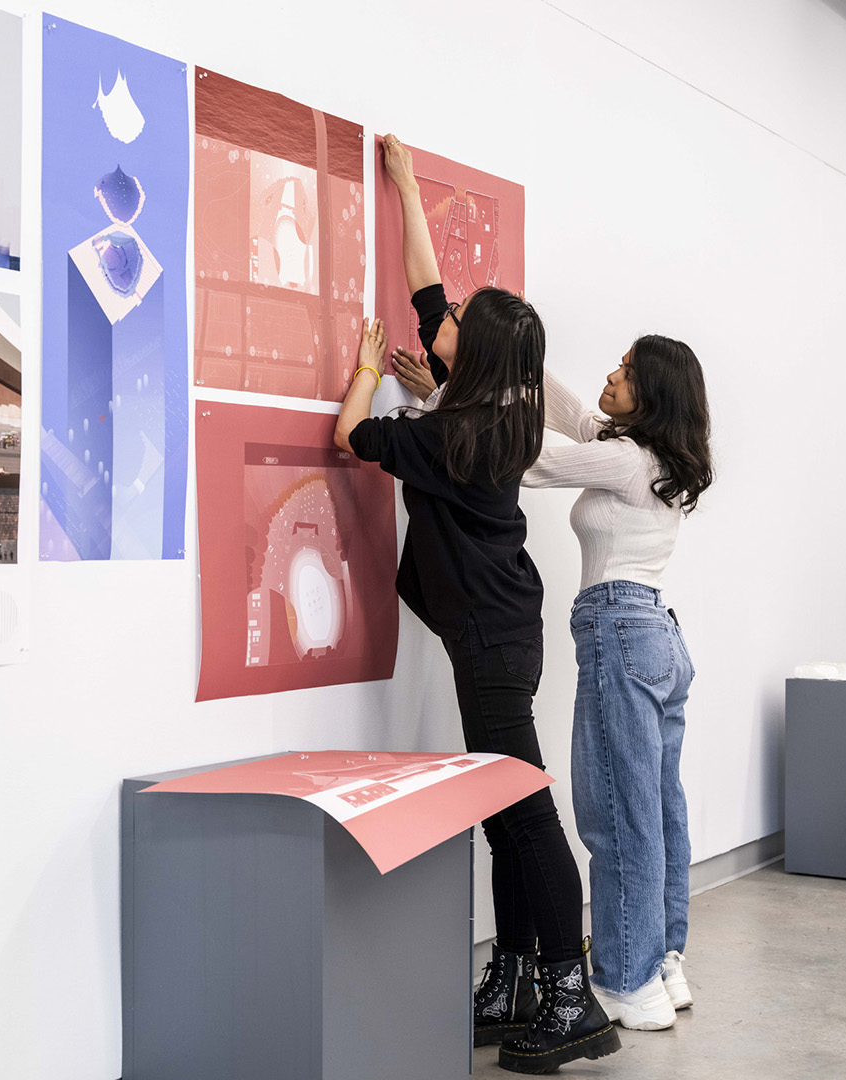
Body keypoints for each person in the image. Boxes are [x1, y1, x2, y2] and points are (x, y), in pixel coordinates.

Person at [332, 134, 621, 1075]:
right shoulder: (489, 408)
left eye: (452, 319)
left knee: (525, 808)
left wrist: (374, 371)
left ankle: (570, 997)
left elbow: (353, 436)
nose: (435, 316)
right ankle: (517, 976)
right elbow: (426, 280)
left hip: (493, 638)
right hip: (498, 628)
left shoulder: (451, 432)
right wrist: (407, 185)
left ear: (472, 352)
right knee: (503, 803)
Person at [521, 336, 714, 1032]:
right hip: (659, 635)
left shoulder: (626, 460)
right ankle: (662, 960)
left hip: (619, 633)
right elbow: (574, 414)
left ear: (652, 393)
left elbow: (534, 459)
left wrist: (456, 393)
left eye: (627, 372)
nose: (611, 374)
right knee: (658, 811)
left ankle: (627, 983)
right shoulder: (658, 459)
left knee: (613, 815)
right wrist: (519, 360)